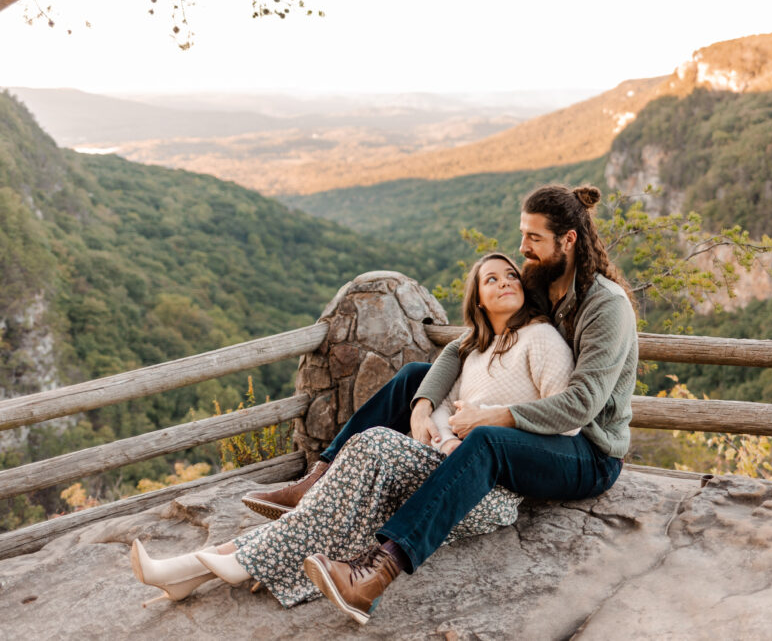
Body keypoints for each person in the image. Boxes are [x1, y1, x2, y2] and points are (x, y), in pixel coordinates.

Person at [128, 253, 575, 615]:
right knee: (339, 503)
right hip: (445, 461)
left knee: (374, 444)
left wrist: (490, 419)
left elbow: (564, 420)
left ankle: (229, 560)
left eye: (511, 275)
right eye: (491, 279)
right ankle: (189, 571)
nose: (505, 282)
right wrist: (443, 434)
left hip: (486, 487)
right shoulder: (473, 351)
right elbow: (440, 404)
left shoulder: (541, 340)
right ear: (477, 300)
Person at [298, 184, 639, 625]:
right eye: (523, 235)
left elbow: (582, 405)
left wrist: (494, 416)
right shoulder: (539, 285)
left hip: (587, 452)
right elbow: (462, 347)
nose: (523, 249)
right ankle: (319, 476)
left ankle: (375, 574)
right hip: (541, 432)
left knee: (487, 442)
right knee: (414, 378)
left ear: (568, 240)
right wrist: (422, 405)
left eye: (534, 238)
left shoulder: (605, 307)